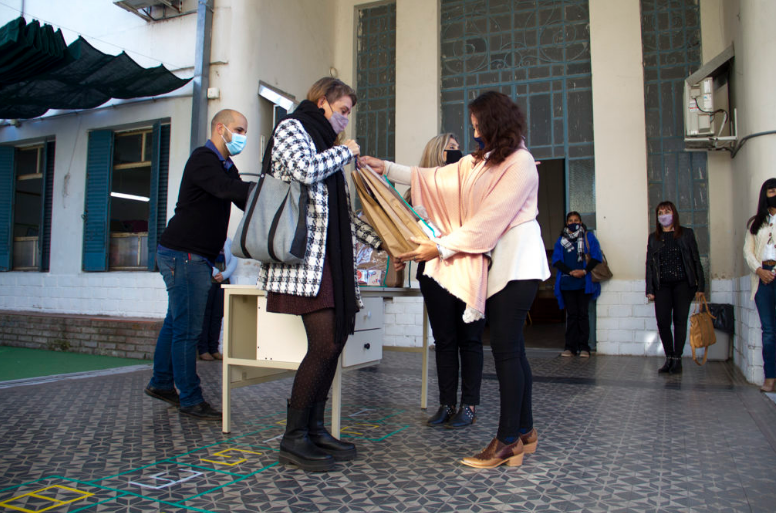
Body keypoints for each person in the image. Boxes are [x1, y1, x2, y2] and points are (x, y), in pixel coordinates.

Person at [362, 90, 550, 469]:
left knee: (505, 350)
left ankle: (507, 441)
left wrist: (440, 248)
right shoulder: (480, 163)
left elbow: (488, 222)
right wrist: (385, 167)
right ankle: (526, 432)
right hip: (500, 264)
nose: (473, 131)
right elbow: (432, 177)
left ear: (494, 122)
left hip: (520, 263)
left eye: (477, 124)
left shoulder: (521, 163)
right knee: (513, 350)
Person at [257, 77, 381, 472]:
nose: (346, 119)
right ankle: (293, 438)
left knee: (336, 338)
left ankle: (312, 429)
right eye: (343, 110)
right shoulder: (292, 128)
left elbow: (342, 218)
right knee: (325, 343)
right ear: (322, 102)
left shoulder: (329, 149)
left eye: (349, 113)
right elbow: (303, 170)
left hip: (329, 261)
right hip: (302, 262)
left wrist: (386, 240)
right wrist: (344, 153)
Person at [144, 109, 253, 420]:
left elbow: (243, 199)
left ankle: (161, 383)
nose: (242, 136)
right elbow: (228, 190)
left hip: (190, 255)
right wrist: (266, 189)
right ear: (220, 128)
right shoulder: (203, 159)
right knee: (188, 331)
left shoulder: (226, 165)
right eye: (239, 129)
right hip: (184, 255)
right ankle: (191, 398)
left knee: (175, 323)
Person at [411, 133, 484, 429]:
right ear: (434, 155)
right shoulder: (418, 188)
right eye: (448, 150)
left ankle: (469, 406)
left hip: (468, 267)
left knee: (470, 339)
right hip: (434, 271)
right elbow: (404, 223)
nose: (455, 154)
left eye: (457, 150)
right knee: (444, 340)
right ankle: (446, 403)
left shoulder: (470, 184)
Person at [645, 201, 705, 374]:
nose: (664, 215)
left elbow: (695, 259)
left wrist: (701, 285)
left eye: (667, 211)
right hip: (662, 285)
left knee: (680, 321)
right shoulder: (653, 237)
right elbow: (649, 264)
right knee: (663, 322)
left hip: (683, 285)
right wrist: (649, 289)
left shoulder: (686, 234)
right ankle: (669, 357)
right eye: (660, 212)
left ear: (674, 214)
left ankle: (677, 358)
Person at [552, 212, 602, 358]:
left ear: (581, 222)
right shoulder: (560, 240)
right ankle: (570, 347)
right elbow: (557, 261)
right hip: (567, 283)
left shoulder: (588, 237)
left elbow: (596, 257)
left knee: (583, 315)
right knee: (572, 315)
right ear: (566, 223)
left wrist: (584, 271)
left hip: (583, 282)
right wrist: (571, 272)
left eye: (576, 220)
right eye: (570, 220)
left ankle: (584, 347)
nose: (573, 222)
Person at [744, 178, 776, 392]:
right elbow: (747, 251)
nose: (774, 194)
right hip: (763, 279)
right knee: (769, 331)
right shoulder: (756, 223)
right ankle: (770, 377)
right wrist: (759, 271)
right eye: (771, 191)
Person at [198, 237, 237, 361]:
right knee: (206, 314)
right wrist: (215, 272)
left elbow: (233, 260)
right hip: (208, 280)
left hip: (223, 281)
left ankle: (214, 348)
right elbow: (203, 258)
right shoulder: (205, 238)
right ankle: (203, 349)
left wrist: (224, 274)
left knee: (217, 315)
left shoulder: (229, 242)